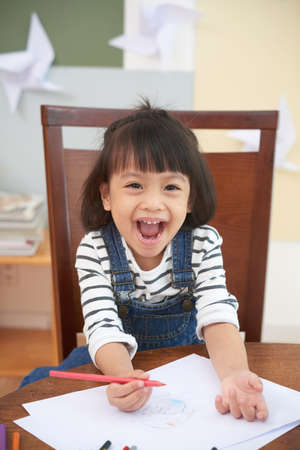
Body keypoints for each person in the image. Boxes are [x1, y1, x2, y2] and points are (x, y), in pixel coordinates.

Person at [75, 100, 268, 421]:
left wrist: (234, 374)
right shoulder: (94, 249)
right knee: (35, 387)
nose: (153, 202)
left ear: (190, 198)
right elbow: (102, 326)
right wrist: (124, 378)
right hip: (116, 365)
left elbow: (218, 315)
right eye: (134, 185)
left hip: (189, 369)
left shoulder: (202, 243)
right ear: (106, 195)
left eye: (171, 187)